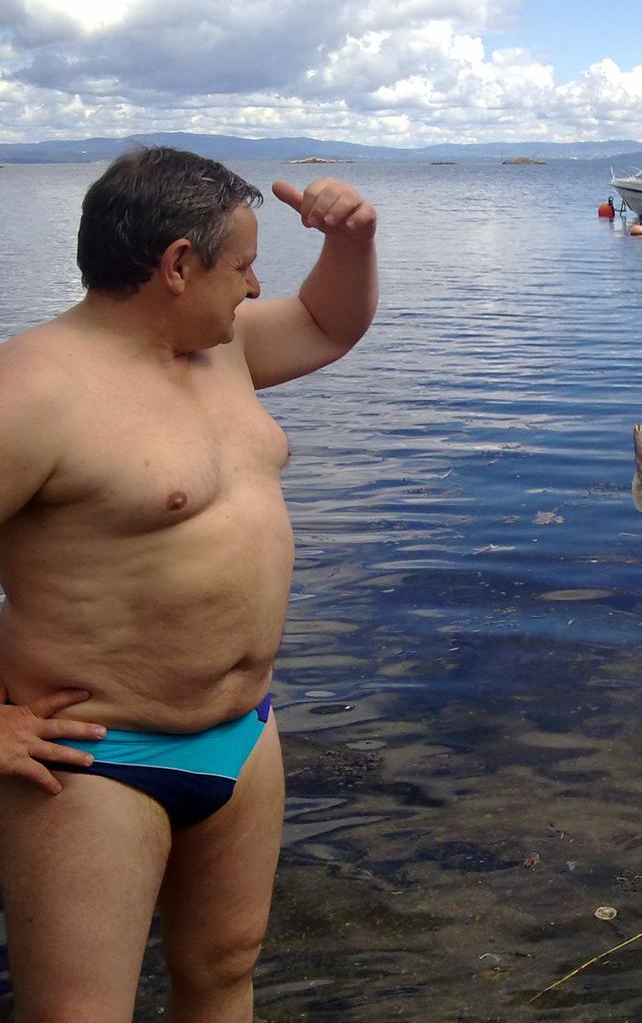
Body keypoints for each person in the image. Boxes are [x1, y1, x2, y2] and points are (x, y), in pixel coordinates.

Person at [0, 146, 378, 1021]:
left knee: (223, 974)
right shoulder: (32, 392)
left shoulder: (224, 350)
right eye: (243, 267)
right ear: (177, 264)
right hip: (97, 759)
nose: (255, 288)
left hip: (244, 736)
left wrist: (352, 241)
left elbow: (328, 324)